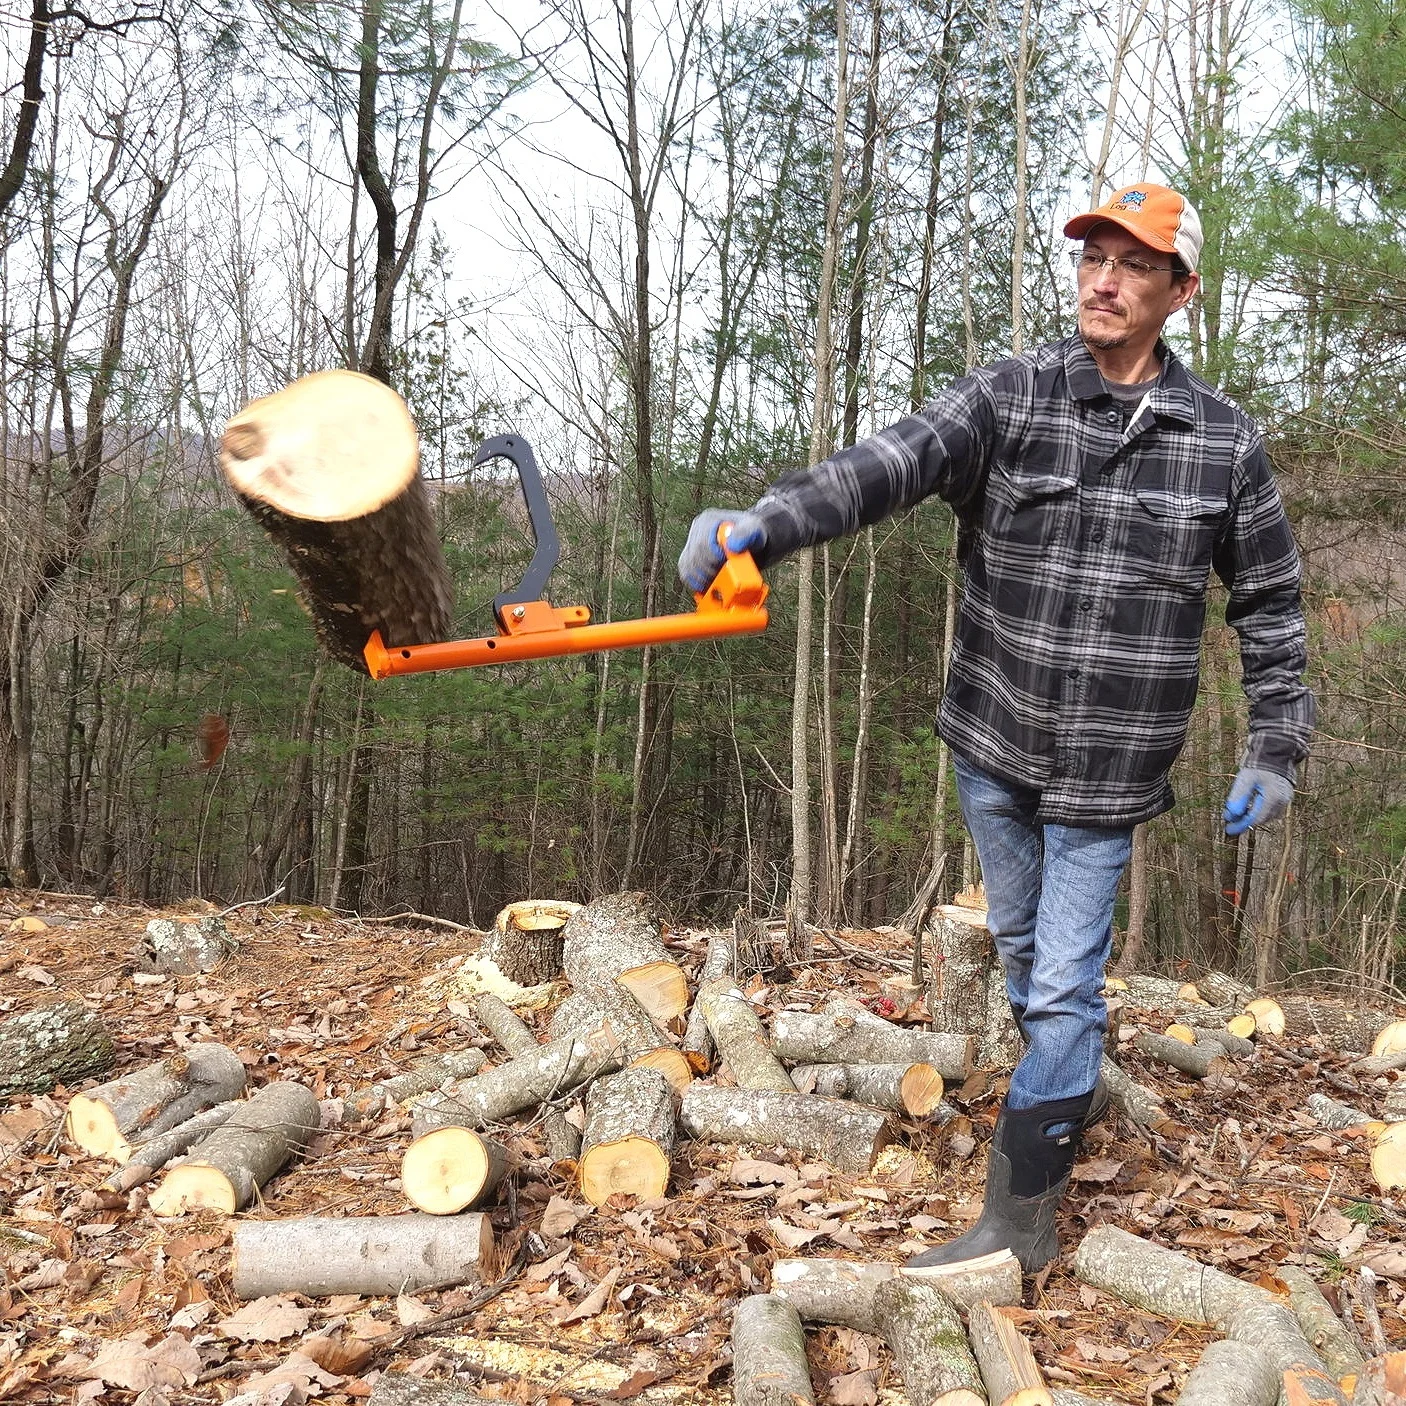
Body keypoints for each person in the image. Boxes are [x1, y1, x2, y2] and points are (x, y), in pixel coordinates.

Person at [677, 183, 1314, 1274]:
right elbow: (889, 460)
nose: (1101, 279)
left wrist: (1273, 742)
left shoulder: (1219, 443)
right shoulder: (1009, 393)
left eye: (1131, 264)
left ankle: (1016, 1225)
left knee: (1063, 985)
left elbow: (1267, 601)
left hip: (1109, 770)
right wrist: (767, 522)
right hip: (993, 742)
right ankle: (1061, 1089)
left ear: (1178, 290)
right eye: (1090, 258)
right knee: (1024, 962)